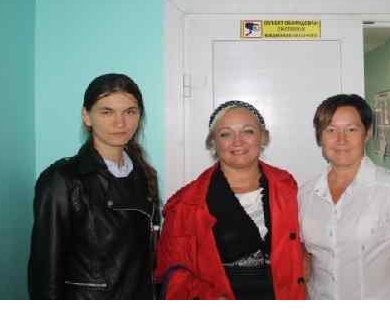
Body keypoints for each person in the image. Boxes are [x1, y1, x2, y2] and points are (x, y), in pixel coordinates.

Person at [155, 100, 306, 299]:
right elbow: (171, 272)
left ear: (263, 137)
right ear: (213, 142)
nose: (238, 141)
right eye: (226, 134)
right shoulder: (186, 203)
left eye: (248, 131)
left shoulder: (288, 188)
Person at [28, 73, 160, 299]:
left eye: (130, 112)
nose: (120, 123)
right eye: (107, 112)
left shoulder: (144, 174)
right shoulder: (63, 180)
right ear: (87, 116)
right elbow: (45, 270)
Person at [298, 94, 390, 299]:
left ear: (367, 133)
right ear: (320, 137)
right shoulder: (306, 193)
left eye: (351, 129)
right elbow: (307, 256)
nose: (341, 140)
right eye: (331, 130)